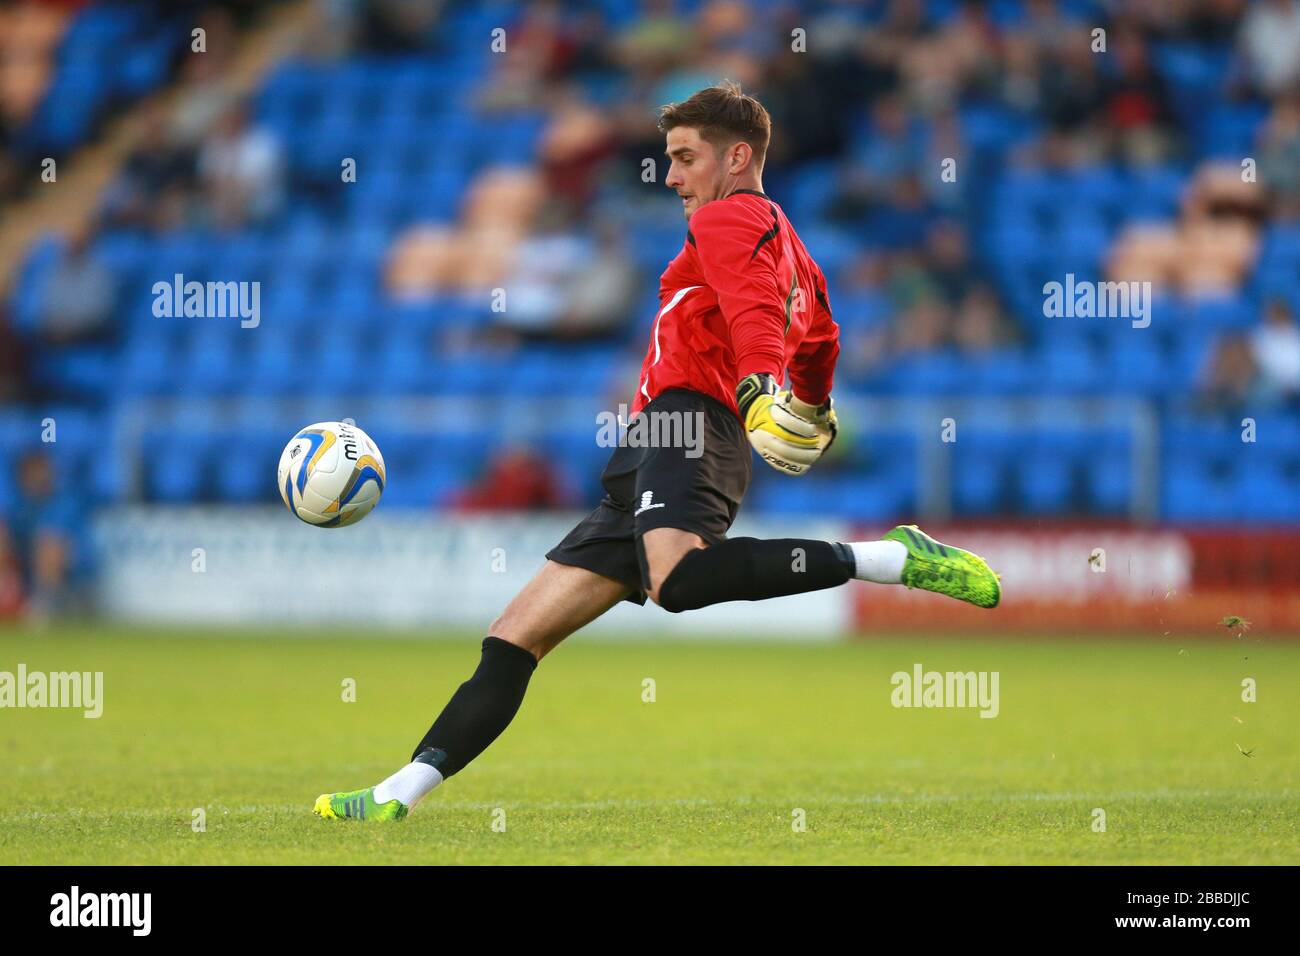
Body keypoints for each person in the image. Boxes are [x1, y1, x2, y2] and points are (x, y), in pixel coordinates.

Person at [314, 83, 1001, 823]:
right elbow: (822, 338)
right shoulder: (797, 251)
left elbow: (752, 312)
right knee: (514, 638)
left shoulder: (733, 216)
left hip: (693, 422)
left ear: (737, 158)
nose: (670, 176)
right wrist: (811, 408)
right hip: (654, 440)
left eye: (683, 158)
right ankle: (397, 794)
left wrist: (759, 391)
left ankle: (891, 558)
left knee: (676, 582)